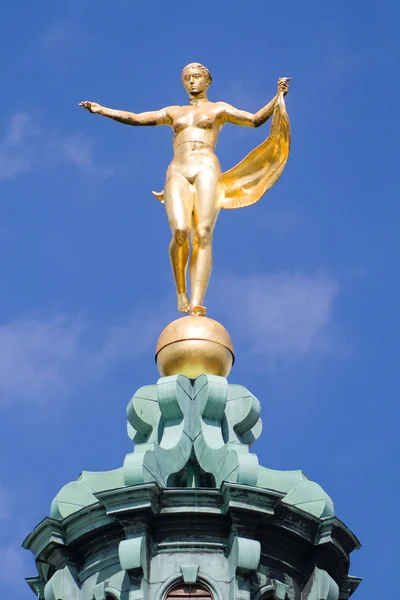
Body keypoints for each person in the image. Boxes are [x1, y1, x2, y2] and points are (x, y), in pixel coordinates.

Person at [80, 63, 290, 315]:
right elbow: (137, 119)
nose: (191, 82)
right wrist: (102, 110)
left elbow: (254, 120)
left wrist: (277, 96)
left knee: (202, 233)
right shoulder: (174, 112)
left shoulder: (218, 109)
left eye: (196, 77)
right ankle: (181, 292)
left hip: (207, 167)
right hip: (178, 170)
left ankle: (197, 302)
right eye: (187, 78)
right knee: (180, 230)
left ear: (207, 81)